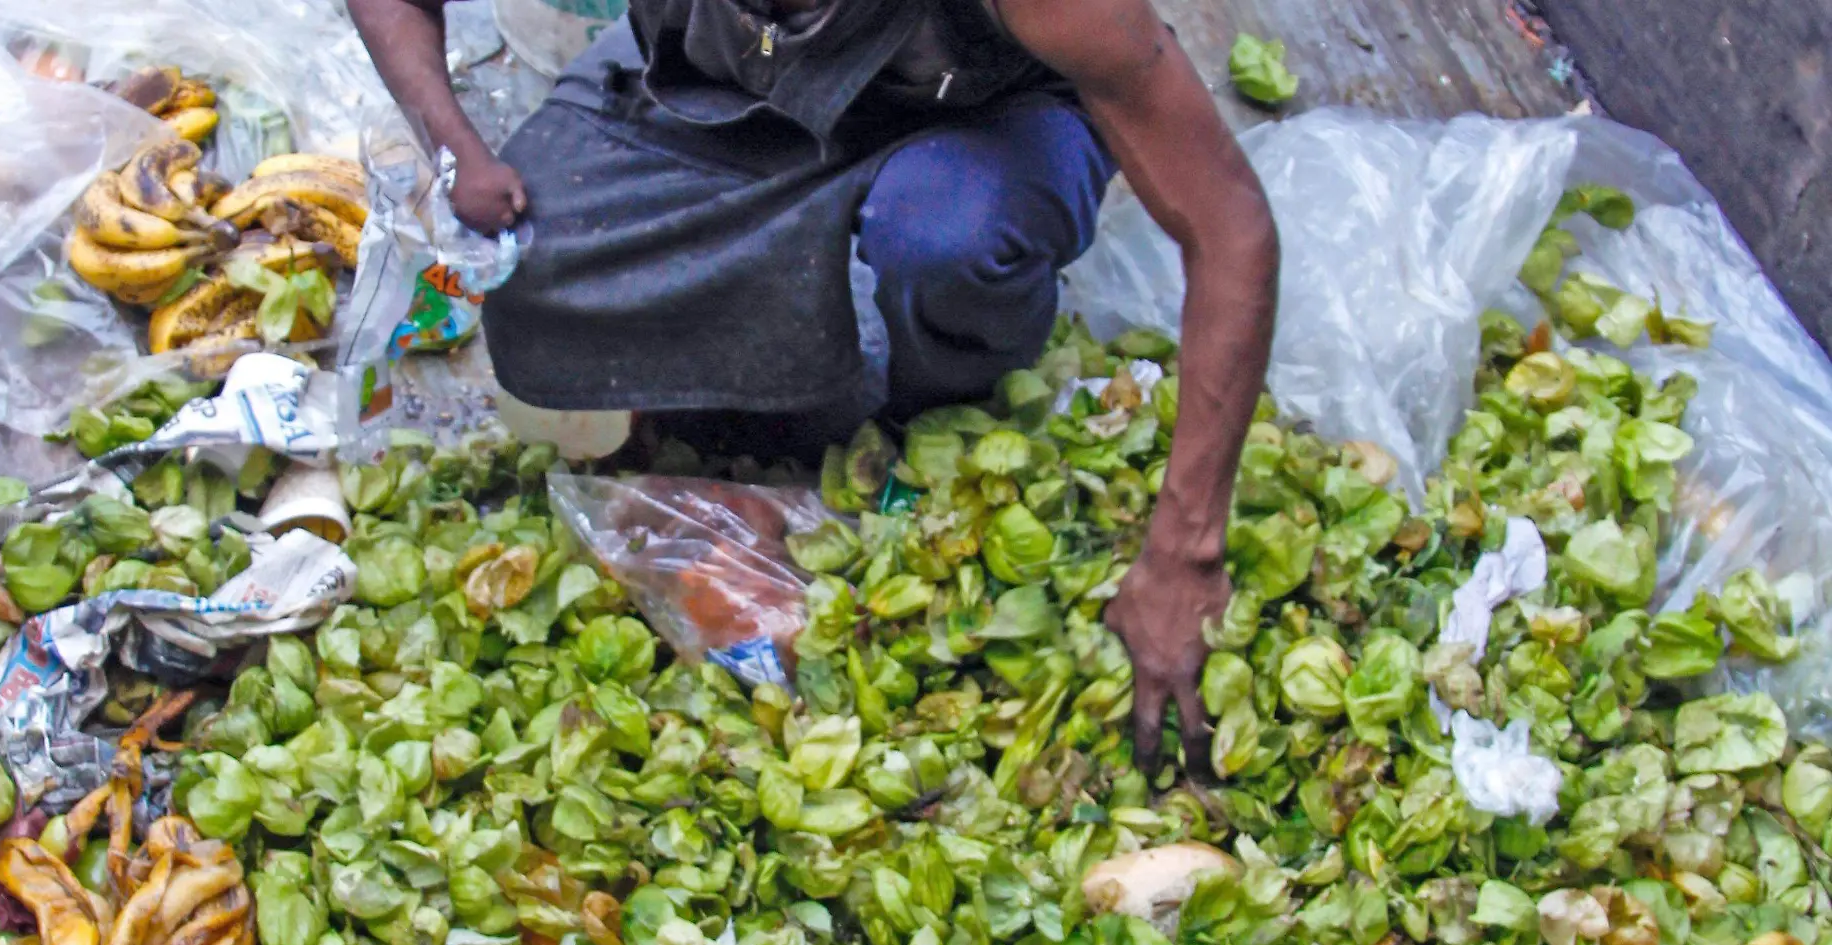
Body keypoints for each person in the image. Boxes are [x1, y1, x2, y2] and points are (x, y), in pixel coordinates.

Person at [347, 0, 1280, 777]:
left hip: (975, 118)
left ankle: (938, 402)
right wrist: (456, 146)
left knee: (949, 241)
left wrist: (1185, 553)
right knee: (538, 264)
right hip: (718, 91)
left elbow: (1231, 228)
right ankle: (723, 403)